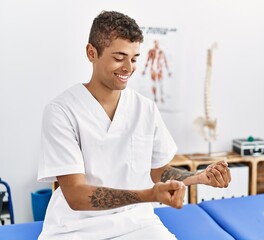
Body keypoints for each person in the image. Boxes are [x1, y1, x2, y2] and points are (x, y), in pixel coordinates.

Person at [37, 10, 231, 240]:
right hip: (76, 230)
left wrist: (199, 177)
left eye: (135, 58)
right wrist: (150, 195)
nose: (129, 68)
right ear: (92, 53)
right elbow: (76, 195)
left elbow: (160, 171)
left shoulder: (145, 108)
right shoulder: (61, 111)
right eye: (119, 58)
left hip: (137, 224)